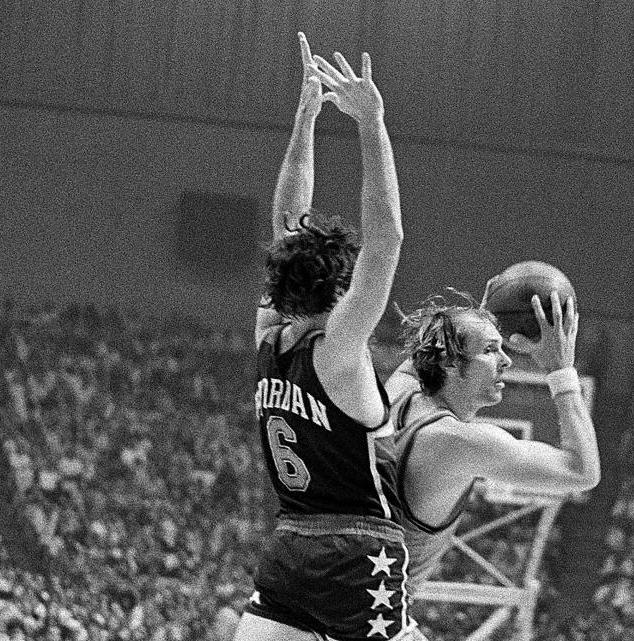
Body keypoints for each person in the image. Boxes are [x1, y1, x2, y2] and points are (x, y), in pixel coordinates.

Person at [233, 33, 413, 641]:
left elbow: (287, 221)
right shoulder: (338, 350)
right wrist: (372, 125)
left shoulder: (269, 336)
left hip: (291, 540)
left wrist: (304, 121)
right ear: (342, 292)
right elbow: (386, 240)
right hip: (360, 551)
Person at [385, 289, 601, 592]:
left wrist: (484, 315)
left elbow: (430, 344)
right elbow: (582, 472)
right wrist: (562, 370)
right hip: (366, 623)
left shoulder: (399, 392)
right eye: (490, 350)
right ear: (448, 362)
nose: (506, 361)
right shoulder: (455, 442)